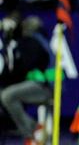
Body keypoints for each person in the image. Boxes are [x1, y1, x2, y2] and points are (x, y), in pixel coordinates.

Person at [0, 15, 53, 145]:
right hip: (32, 84)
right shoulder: (22, 43)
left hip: (46, 87)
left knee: (7, 96)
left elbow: (24, 68)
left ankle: (33, 130)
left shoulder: (34, 42)